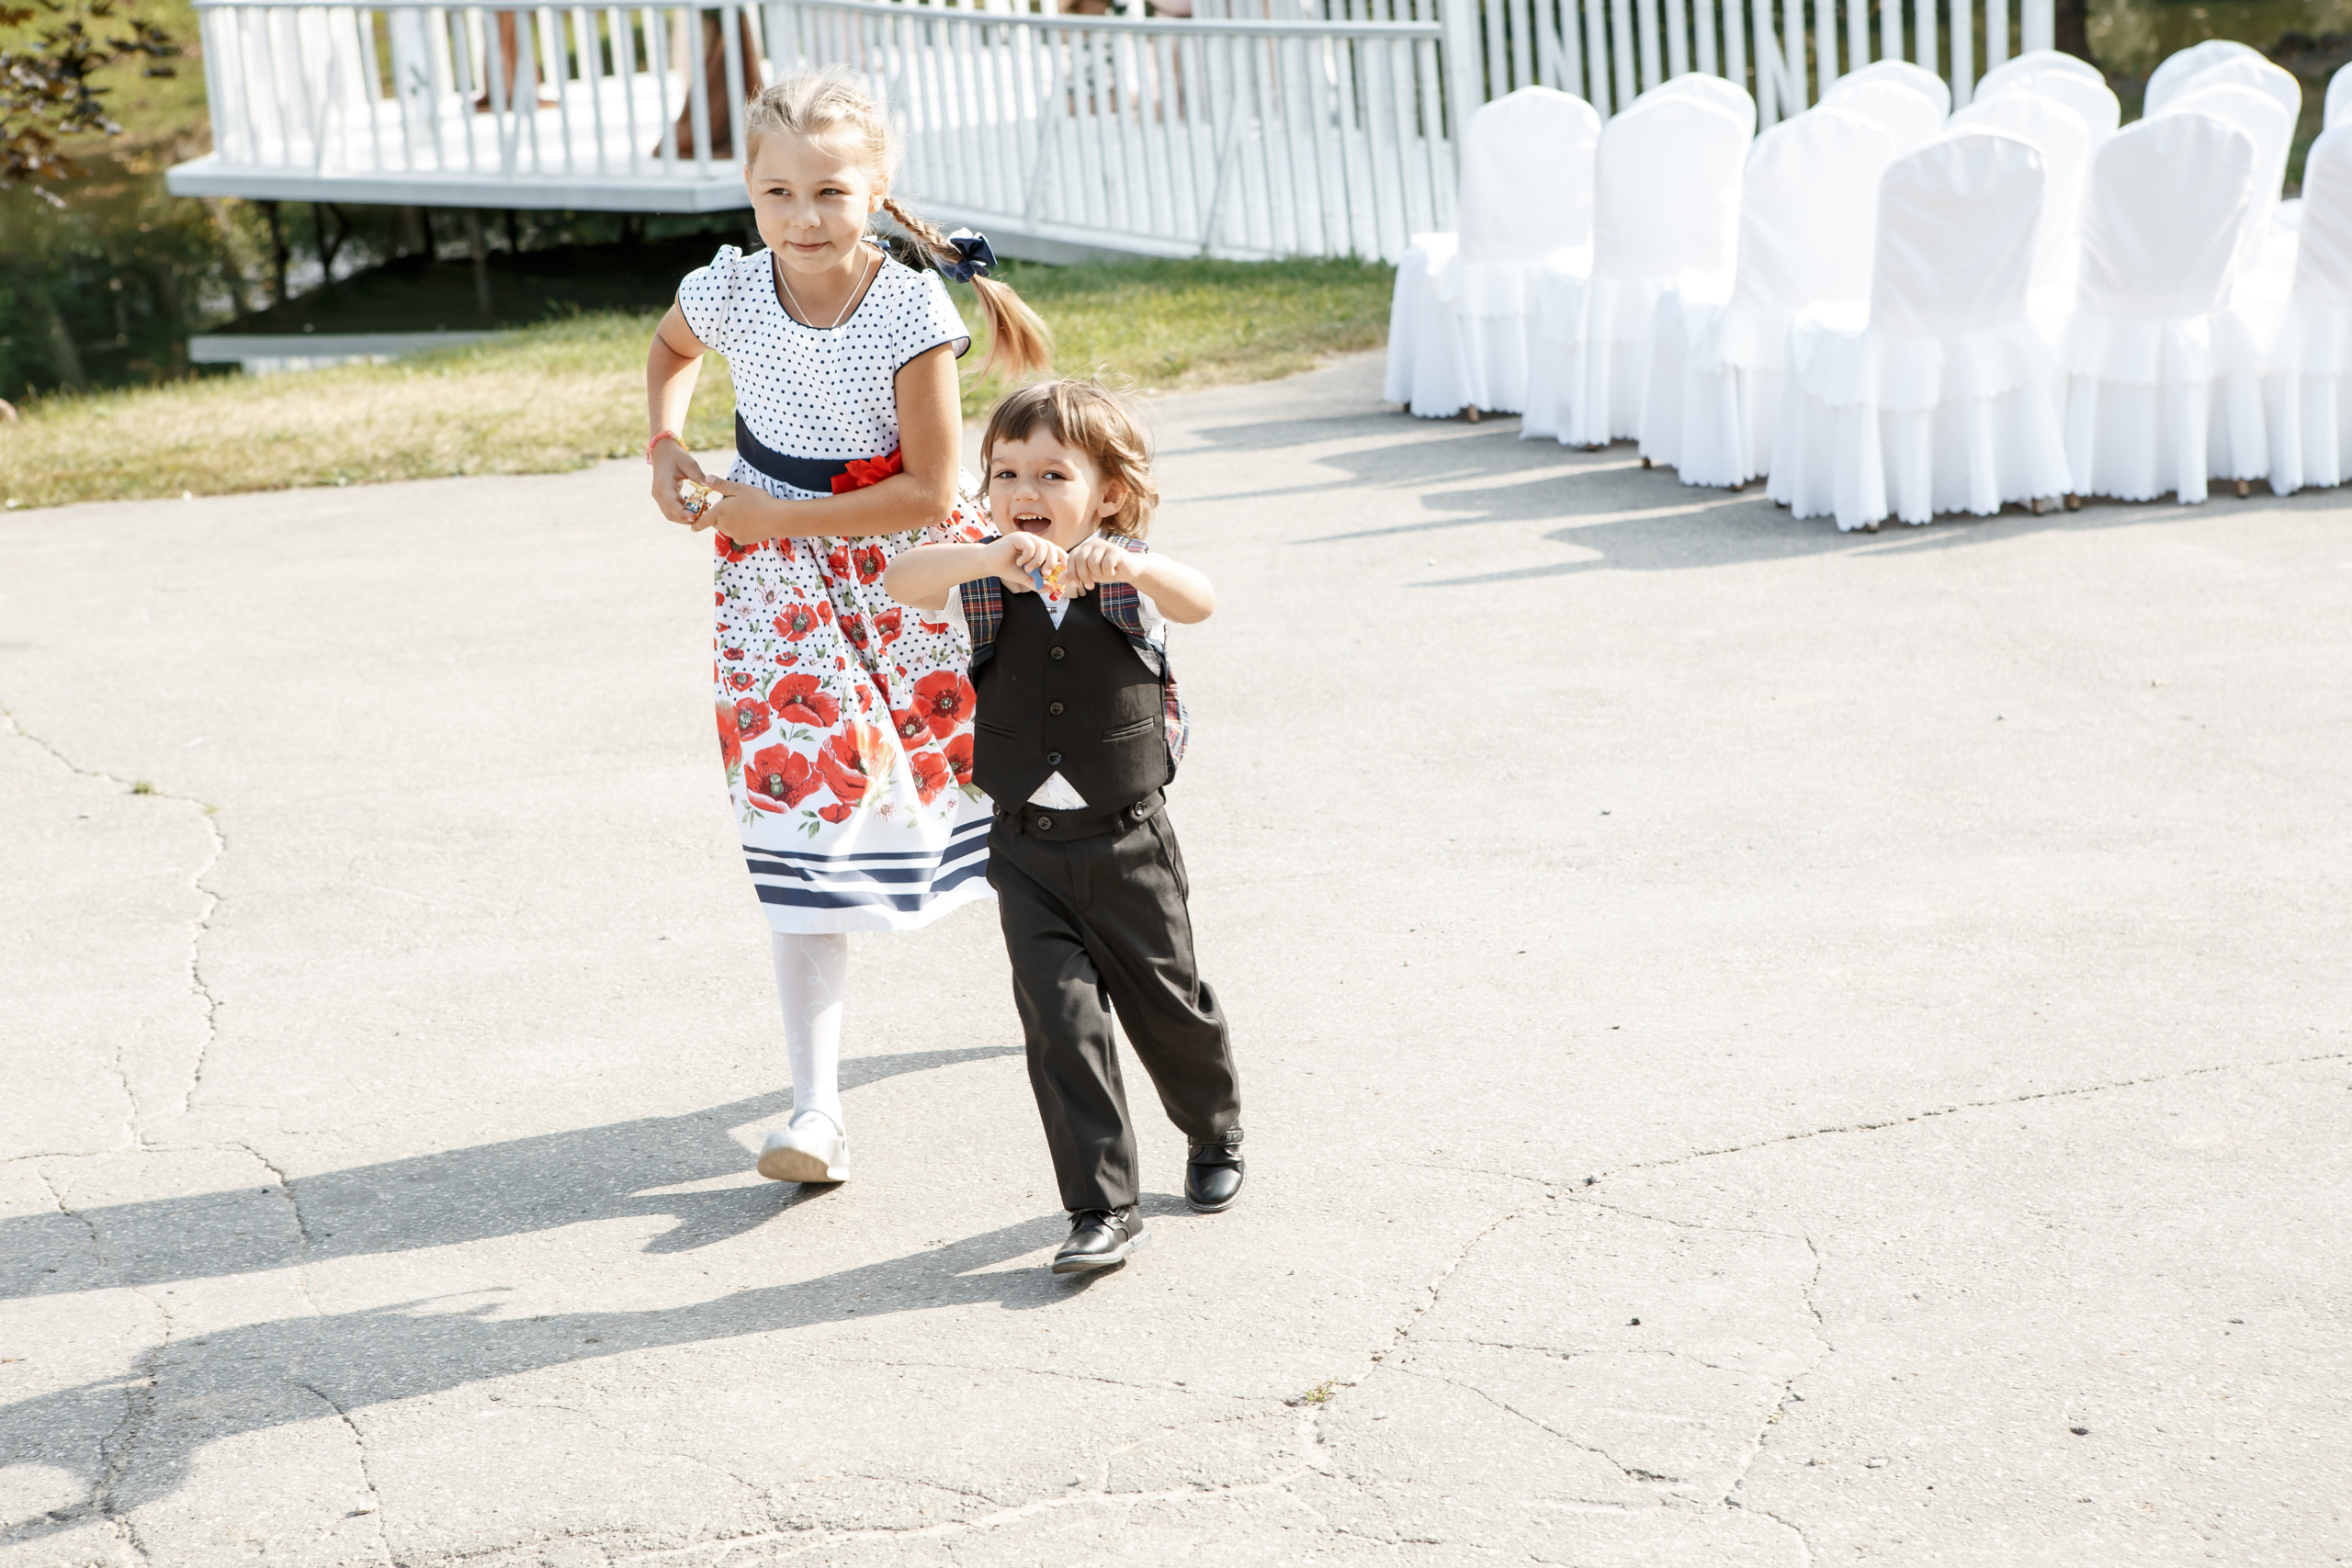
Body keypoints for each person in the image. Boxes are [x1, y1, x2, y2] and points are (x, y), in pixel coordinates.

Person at [643, 70, 1050, 1186]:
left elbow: (929, 491)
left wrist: (782, 511)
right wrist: (666, 448)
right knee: (802, 807)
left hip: (907, 573)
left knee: (994, 787)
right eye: (778, 194)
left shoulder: (909, 310)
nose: (803, 219)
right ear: (748, 193)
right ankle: (813, 1111)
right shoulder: (728, 291)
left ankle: (1078, 985)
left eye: (830, 192)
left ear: (876, 192)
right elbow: (670, 353)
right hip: (774, 588)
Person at [884, 381, 1244, 1275]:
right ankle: (1101, 1208)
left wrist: (1134, 568)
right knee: (1060, 1024)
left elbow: (1199, 599)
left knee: (1169, 1006)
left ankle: (1213, 1128)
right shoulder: (984, 571)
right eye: (1006, 472)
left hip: (1129, 838)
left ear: (1108, 493)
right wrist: (983, 557)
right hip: (1027, 846)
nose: (1025, 492)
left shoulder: (1127, 577)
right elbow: (901, 579)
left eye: (1052, 473)